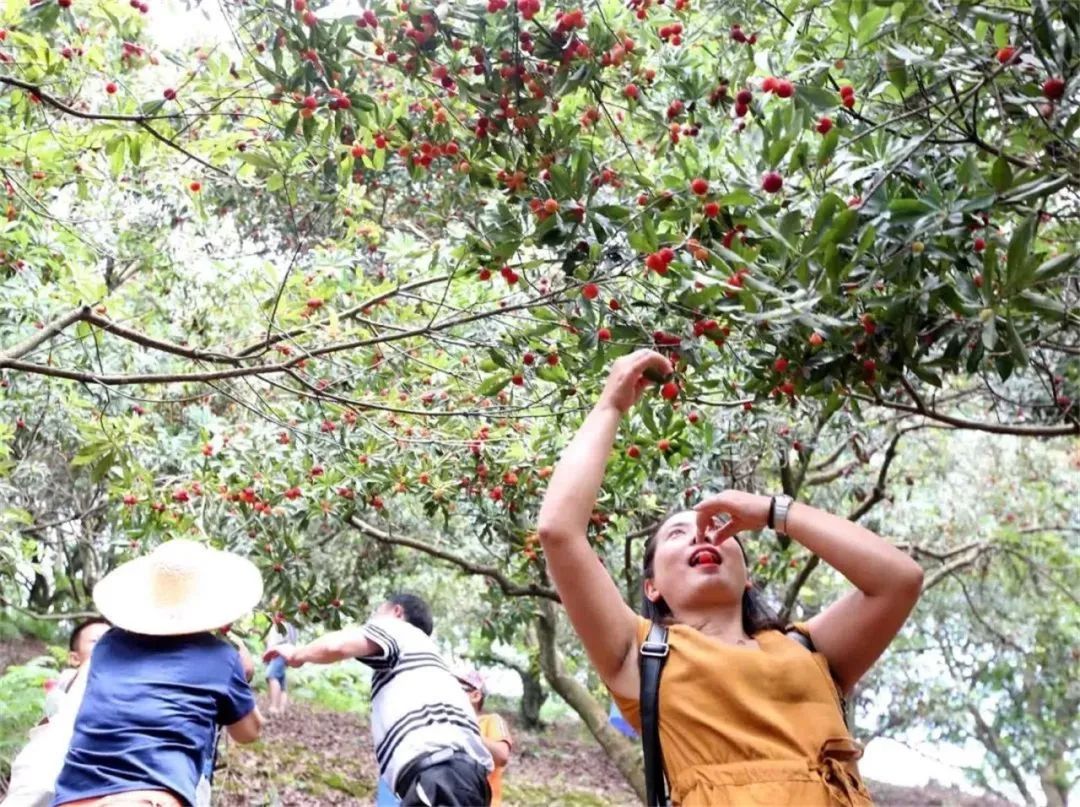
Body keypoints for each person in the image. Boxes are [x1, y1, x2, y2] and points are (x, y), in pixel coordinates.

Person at [536, 349, 925, 806]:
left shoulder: (810, 648)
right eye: (677, 535)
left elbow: (900, 579)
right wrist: (610, 406)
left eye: (718, 534)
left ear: (747, 579)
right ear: (652, 587)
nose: (701, 537)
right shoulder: (639, 654)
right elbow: (558, 531)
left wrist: (773, 511)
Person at [51, 539, 266, 807]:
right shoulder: (220, 657)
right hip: (151, 800)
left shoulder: (107, 645)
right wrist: (241, 674)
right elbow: (248, 733)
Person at [264, 593, 493, 806]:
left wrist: (297, 654)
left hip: (441, 776)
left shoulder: (401, 630)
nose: (373, 618)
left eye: (377, 611)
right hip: (459, 780)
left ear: (396, 612)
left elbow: (337, 645)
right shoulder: (429, 661)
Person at [454, 669, 512, 807]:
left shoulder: (490, 721)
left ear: (475, 695)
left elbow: (501, 755)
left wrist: (465, 728)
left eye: (457, 689)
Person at [44, 620, 111, 720]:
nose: (109, 645)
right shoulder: (60, 697)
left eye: (113, 640)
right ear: (75, 658)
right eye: (97, 641)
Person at [264, 621, 297, 716]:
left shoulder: (284, 619)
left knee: (271, 675)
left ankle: (274, 706)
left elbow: (280, 638)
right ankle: (281, 708)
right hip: (283, 651)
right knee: (281, 680)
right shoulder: (290, 622)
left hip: (279, 651)